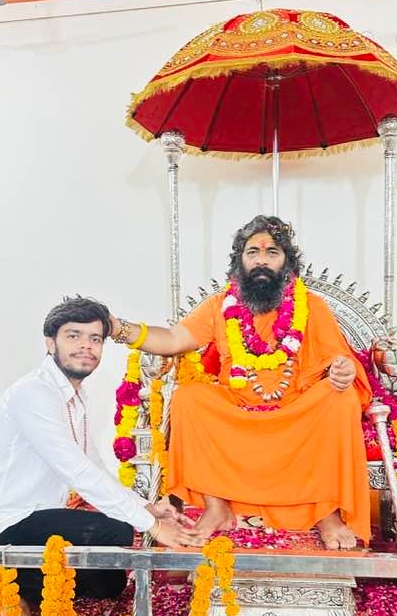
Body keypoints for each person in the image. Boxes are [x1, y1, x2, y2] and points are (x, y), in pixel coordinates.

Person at [110, 215, 373, 549]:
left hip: (298, 410)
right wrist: (119, 329)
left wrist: (343, 370)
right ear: (240, 261)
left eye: (272, 252)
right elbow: (174, 339)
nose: (262, 260)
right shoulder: (220, 307)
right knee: (189, 398)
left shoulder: (312, 306)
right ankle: (216, 507)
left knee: (341, 398)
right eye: (253, 252)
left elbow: (339, 360)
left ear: (287, 262)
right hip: (236, 409)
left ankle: (326, 513)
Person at [0, 296, 203, 616]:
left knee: (110, 584)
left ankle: (14, 580)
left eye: (95, 339)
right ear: (50, 343)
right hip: (4, 524)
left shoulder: (74, 396)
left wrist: (146, 507)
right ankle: (3, 582)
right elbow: (76, 470)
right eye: (73, 336)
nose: (86, 346)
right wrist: (152, 525)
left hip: (37, 519)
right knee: (115, 532)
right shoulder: (33, 393)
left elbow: (93, 465)